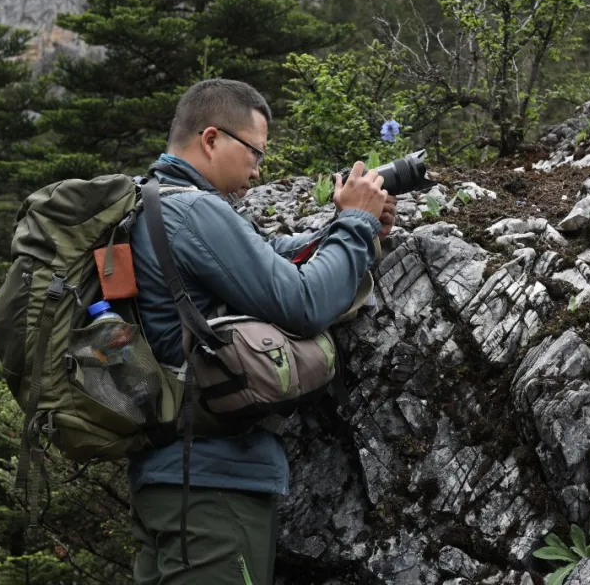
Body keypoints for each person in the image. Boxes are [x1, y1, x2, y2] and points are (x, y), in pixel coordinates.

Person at [127, 78, 396, 584]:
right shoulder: (193, 211)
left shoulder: (156, 203)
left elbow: (270, 259)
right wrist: (356, 226)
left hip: (171, 478)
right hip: (210, 489)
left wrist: (350, 226)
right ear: (211, 139)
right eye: (254, 151)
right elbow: (303, 303)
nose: (258, 169)